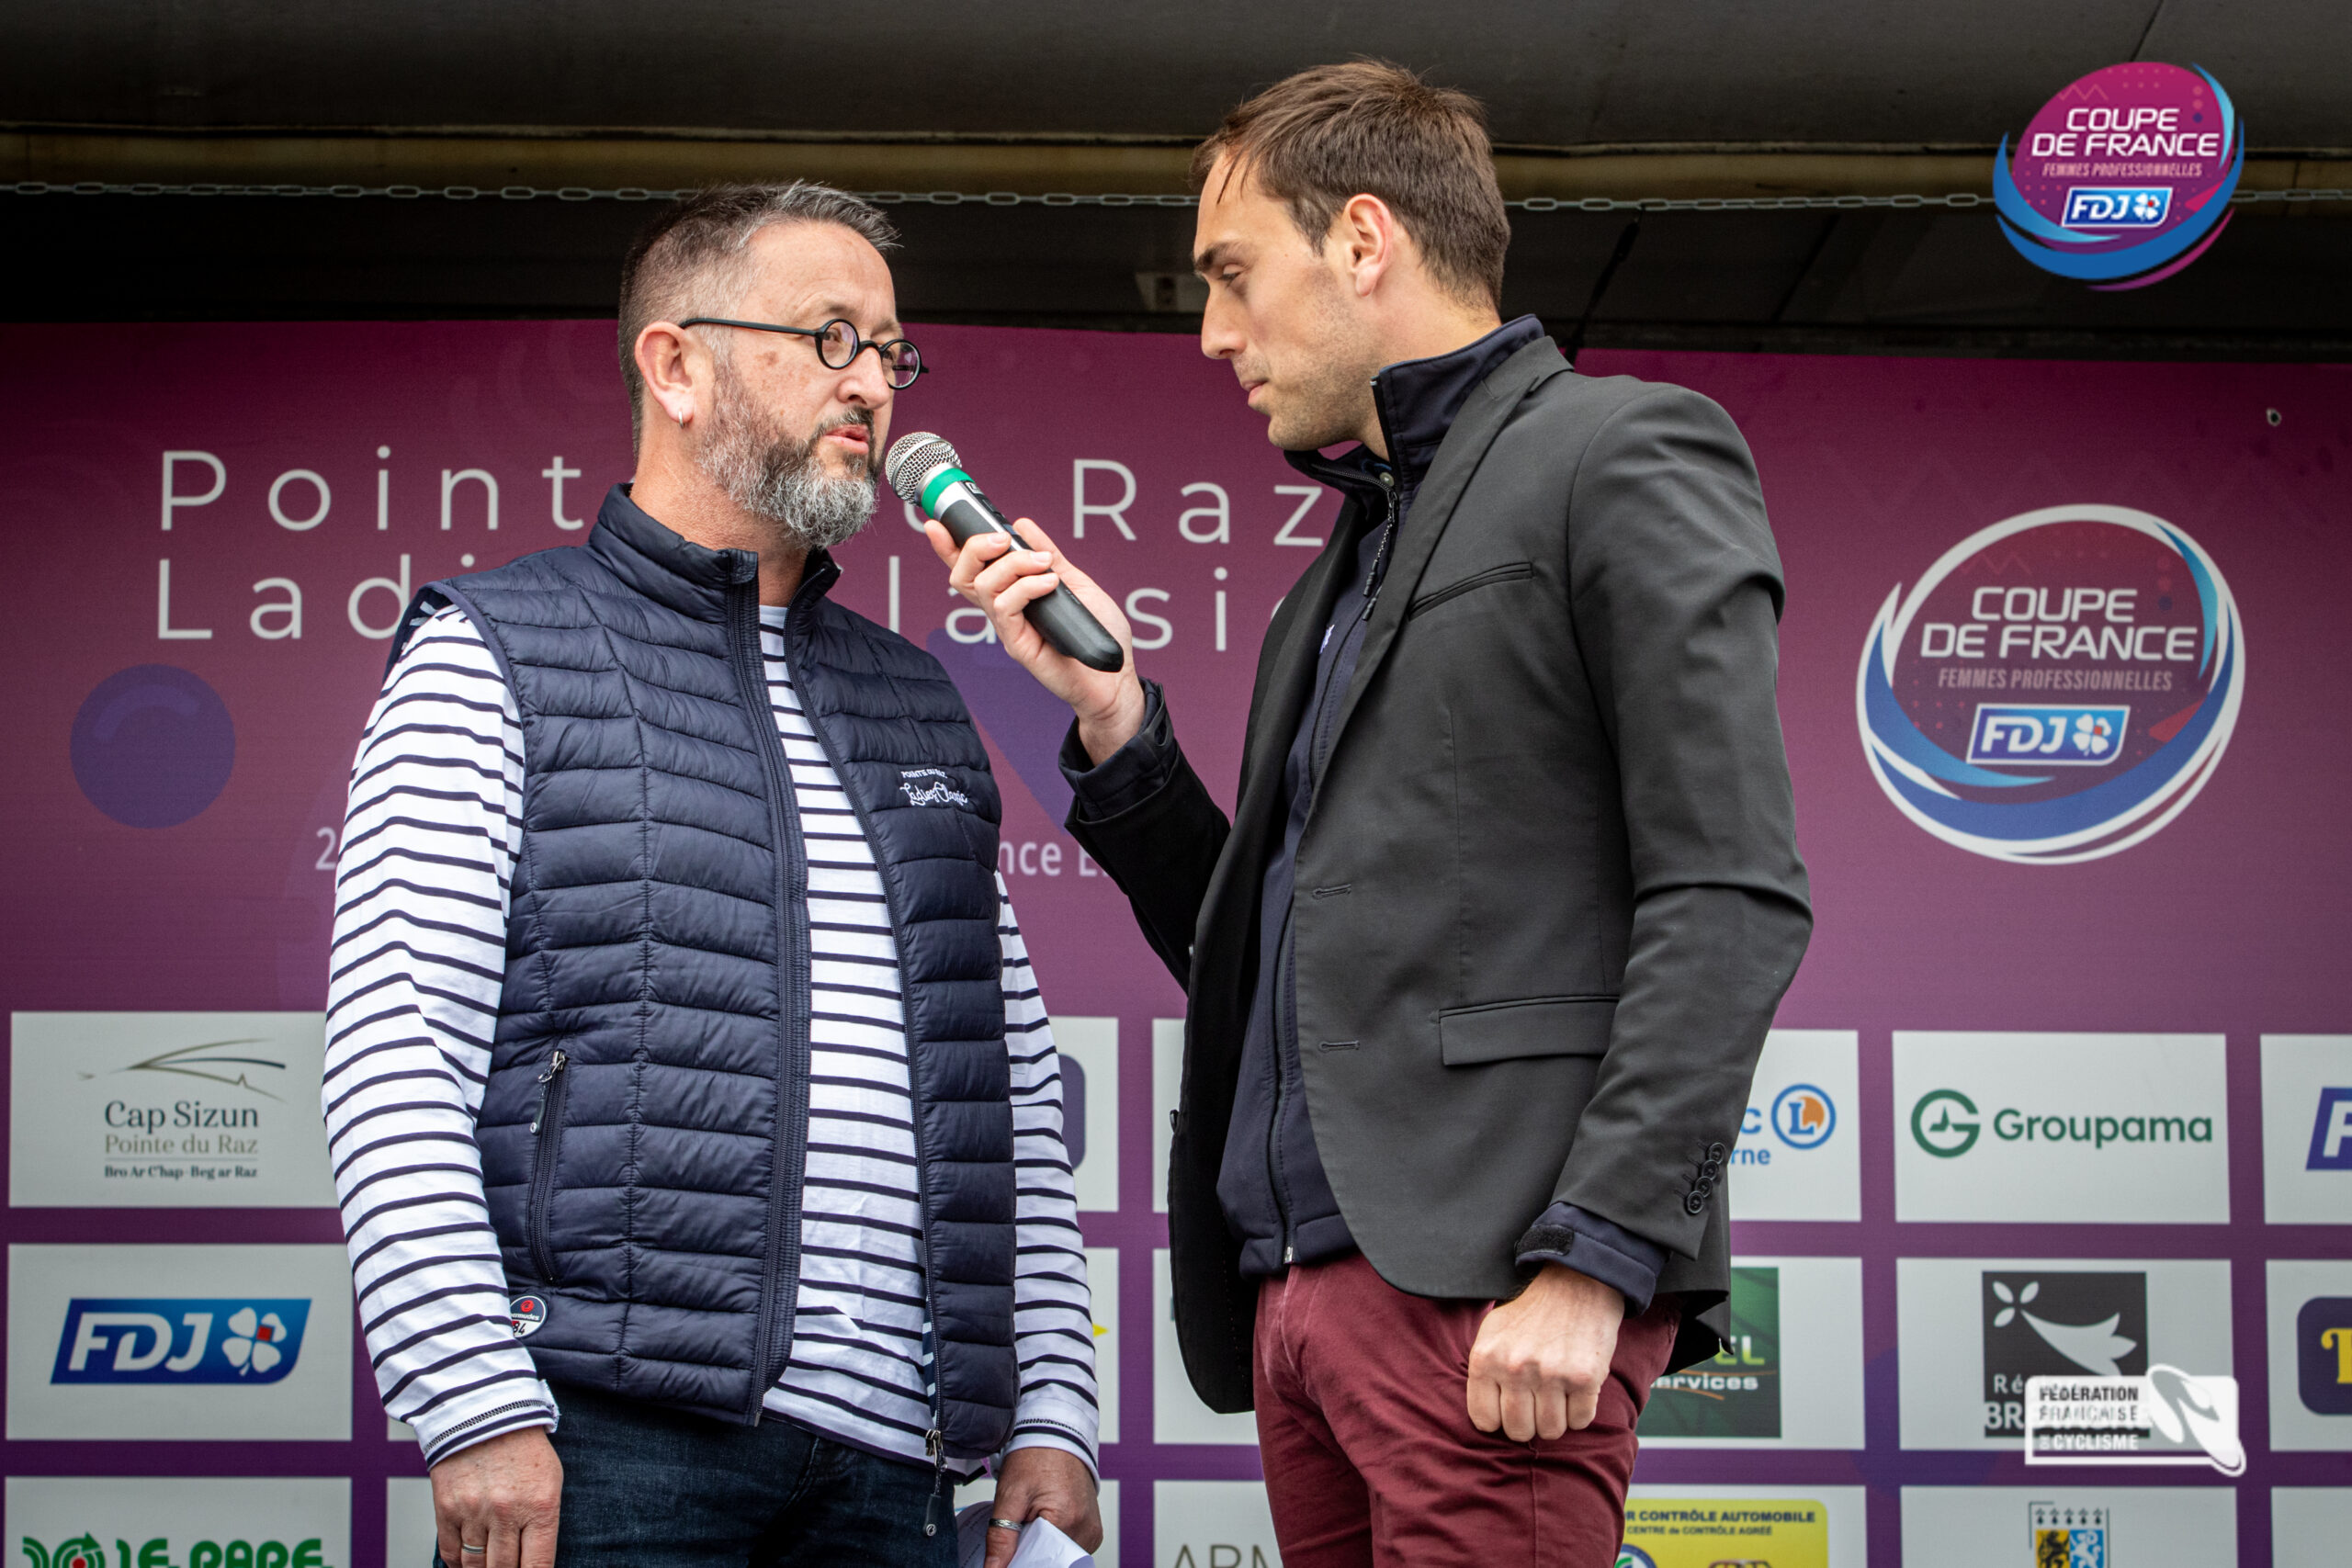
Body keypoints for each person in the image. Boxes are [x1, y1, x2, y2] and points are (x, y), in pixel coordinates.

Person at [930, 62, 1810, 1566]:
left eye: (1231, 275)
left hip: (1490, 1294)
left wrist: (1597, 1258)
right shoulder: (1331, 583)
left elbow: (1730, 887)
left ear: (1361, 239)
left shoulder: (1623, 451)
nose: (1214, 334)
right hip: (1298, 1307)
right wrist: (1116, 723)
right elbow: (1260, 959)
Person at [323, 182, 1102, 1568]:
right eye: (830, 338)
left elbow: (1010, 1090)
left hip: (899, 1467)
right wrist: (468, 1401)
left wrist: (1051, 1409)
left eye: (891, 351)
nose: (873, 385)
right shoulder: (493, 649)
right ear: (675, 367)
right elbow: (395, 1056)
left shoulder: (918, 697)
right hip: (604, 1437)